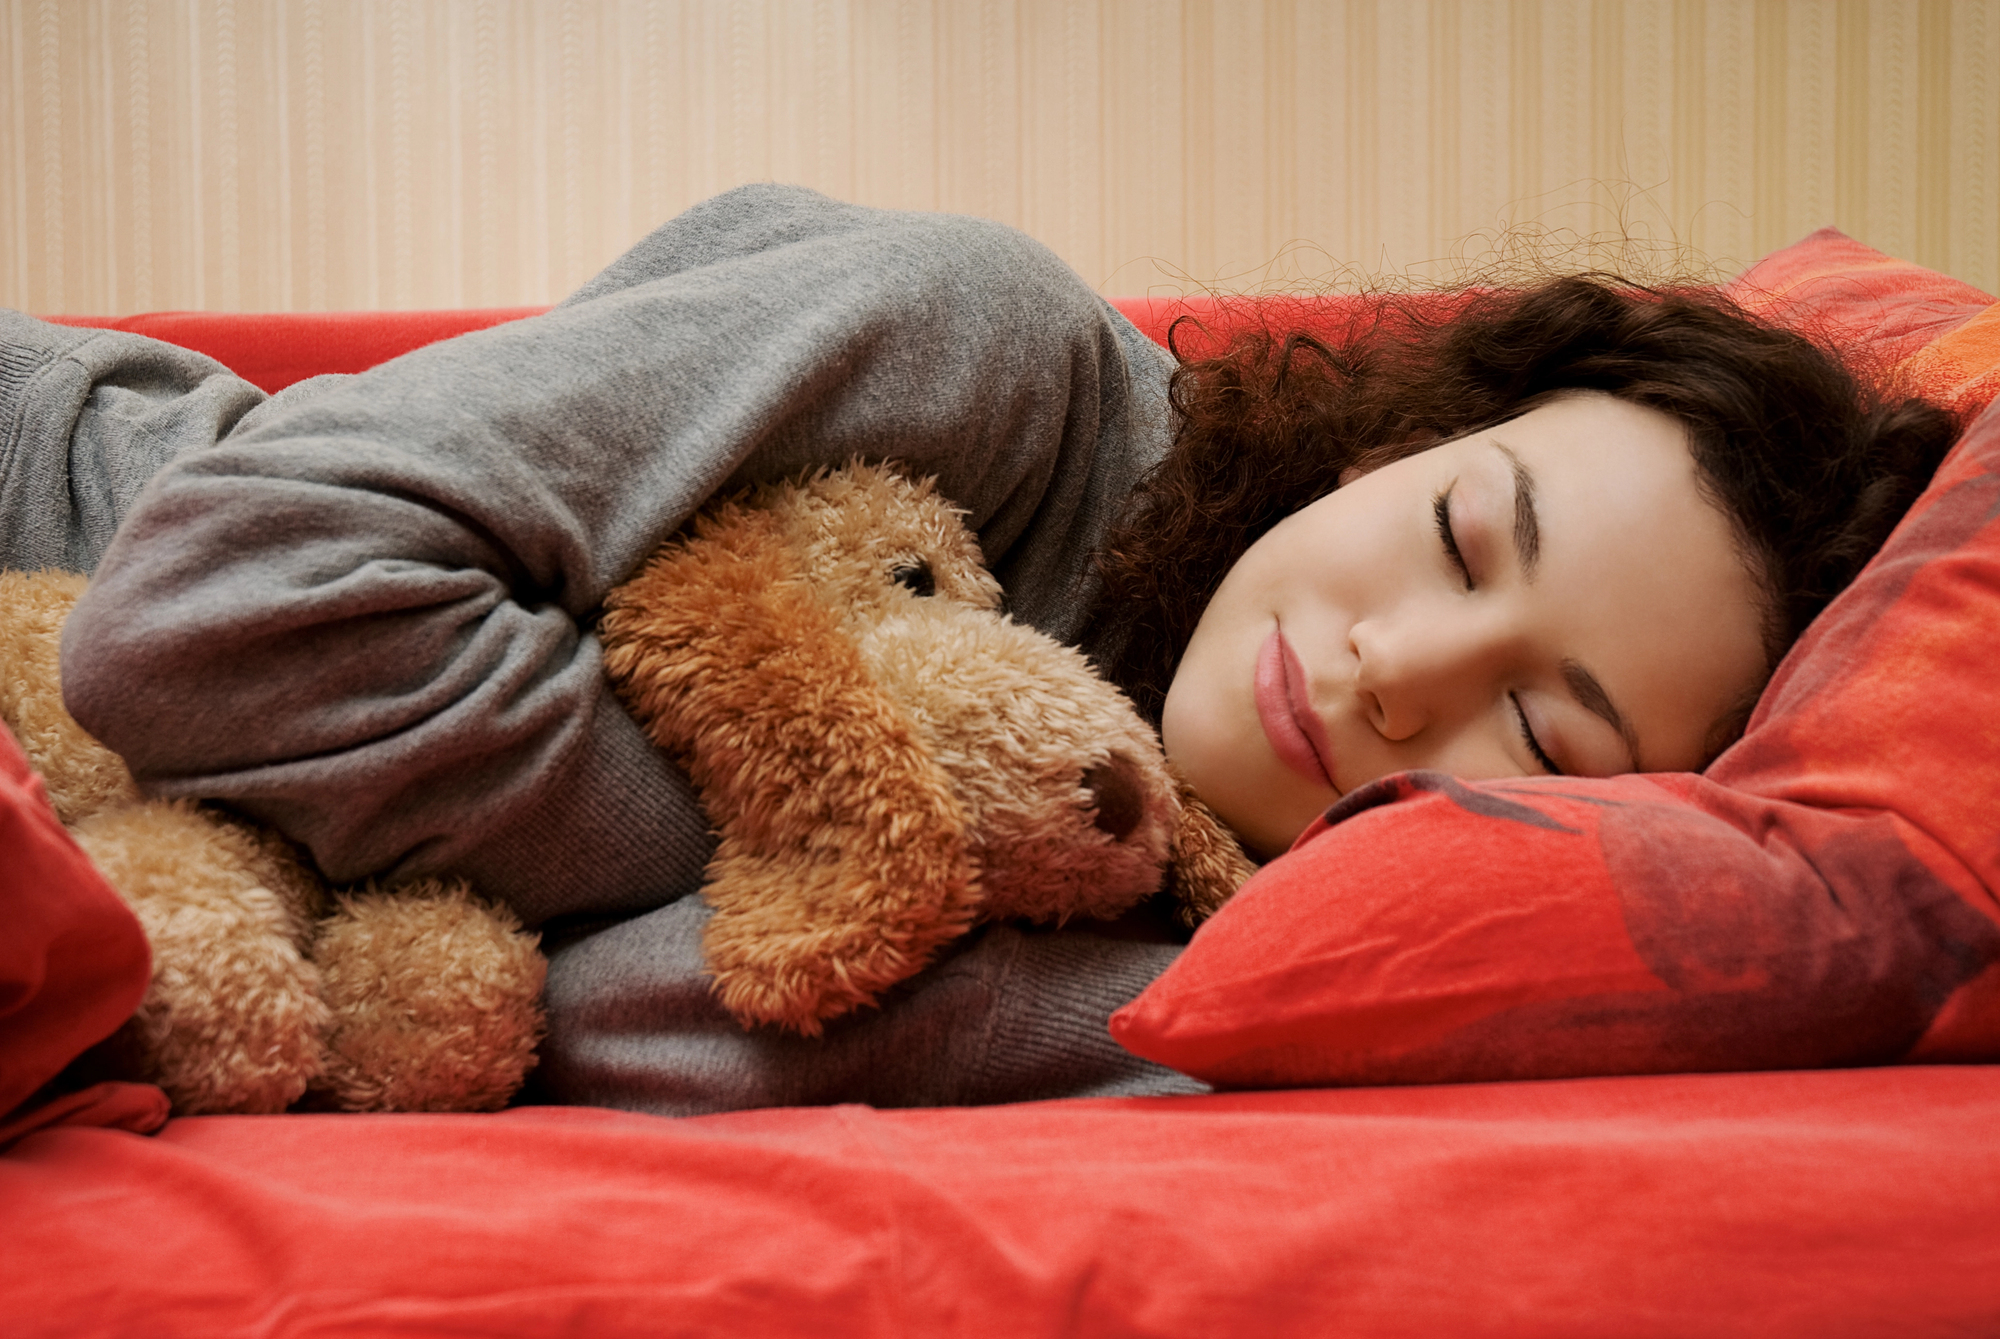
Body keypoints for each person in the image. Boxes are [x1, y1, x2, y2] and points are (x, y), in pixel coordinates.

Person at [4, 185, 1954, 1114]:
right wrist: (857, 839)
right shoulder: (989, 352)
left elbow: (617, 1029)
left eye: (1534, 721)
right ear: (1400, 438)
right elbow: (215, 607)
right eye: (1454, 534)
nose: (1392, 669)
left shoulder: (1225, 960)